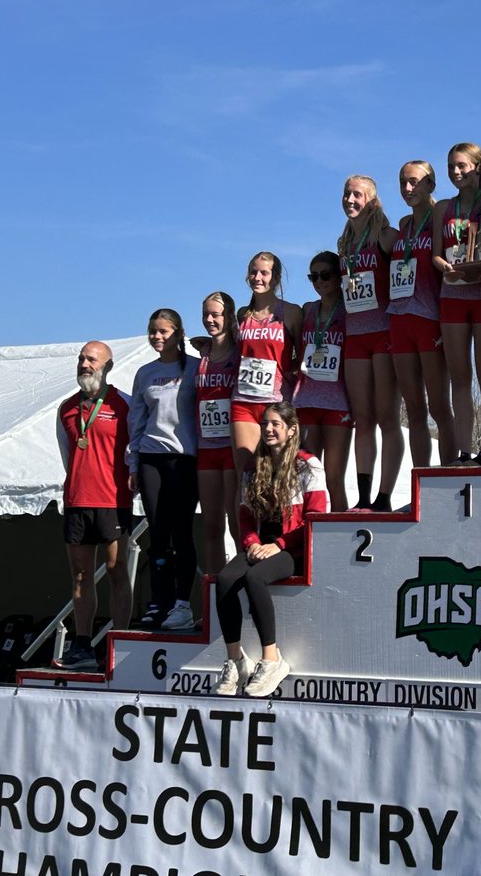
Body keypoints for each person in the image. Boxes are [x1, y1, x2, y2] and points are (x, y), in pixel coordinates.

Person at [214, 403, 328, 697]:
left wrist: (277, 546)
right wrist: (251, 543)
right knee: (225, 579)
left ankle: (271, 659)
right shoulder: (253, 467)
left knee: (255, 578)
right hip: (262, 546)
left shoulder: (308, 465)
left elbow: (315, 520)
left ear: (292, 431)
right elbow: (245, 516)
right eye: (265, 423)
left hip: (295, 548)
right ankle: (235, 660)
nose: (268, 429)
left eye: (276, 424)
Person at [53, 341, 133, 670]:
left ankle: (121, 645)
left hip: (113, 500)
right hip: (77, 501)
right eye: (81, 359)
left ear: (108, 366)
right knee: (81, 577)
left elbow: (135, 452)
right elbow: (66, 456)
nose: (85, 364)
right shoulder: (67, 408)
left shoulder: (125, 404)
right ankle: (82, 647)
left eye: (92, 359)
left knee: (117, 572)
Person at [128, 309, 201, 631]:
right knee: (157, 532)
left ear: (178, 333)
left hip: (185, 459)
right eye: (152, 332)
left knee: (181, 532)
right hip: (151, 458)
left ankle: (183, 603)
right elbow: (136, 420)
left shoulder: (197, 369)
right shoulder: (145, 373)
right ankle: (160, 600)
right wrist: (133, 463)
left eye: (163, 332)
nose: (157, 337)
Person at [431, 142, 481, 466]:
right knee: (459, 377)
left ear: (479, 166)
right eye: (451, 167)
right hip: (452, 296)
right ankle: (463, 451)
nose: (456, 172)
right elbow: (435, 252)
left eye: (462, 165)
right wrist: (443, 266)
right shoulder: (442, 208)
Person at [338, 175, 404, 511]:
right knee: (362, 419)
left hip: (383, 333)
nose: (350, 199)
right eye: (347, 193)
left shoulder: (385, 236)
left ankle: (385, 496)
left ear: (373, 200)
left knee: (387, 418)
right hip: (355, 336)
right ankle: (363, 497)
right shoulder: (344, 242)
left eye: (357, 194)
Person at [389, 160, 456, 466]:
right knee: (414, 408)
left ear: (431, 184)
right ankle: (420, 479)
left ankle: (449, 473)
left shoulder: (439, 219)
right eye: (403, 182)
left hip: (430, 319)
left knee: (439, 407)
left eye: (415, 182)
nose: (408, 189)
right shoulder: (404, 226)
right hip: (400, 320)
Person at [231, 251, 306, 478]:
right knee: (245, 474)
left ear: (275, 278)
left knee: (276, 473)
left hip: (275, 401)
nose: (257, 277)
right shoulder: (243, 314)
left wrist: (284, 371)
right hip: (243, 400)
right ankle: (241, 515)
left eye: (264, 272)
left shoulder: (291, 312)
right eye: (253, 272)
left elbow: (304, 355)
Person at [294, 251, 353, 511]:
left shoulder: (350, 308)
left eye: (325, 275)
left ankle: (342, 537)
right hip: (306, 400)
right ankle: (303, 539)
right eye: (313, 276)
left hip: (338, 401)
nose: (319, 281)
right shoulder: (307, 310)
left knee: (334, 478)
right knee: (306, 476)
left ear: (339, 276)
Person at [196, 292, 241, 577]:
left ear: (230, 317)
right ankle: (213, 591)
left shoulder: (241, 352)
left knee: (238, 524)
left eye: (217, 314)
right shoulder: (201, 354)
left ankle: (239, 583)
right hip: (206, 447)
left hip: (233, 445)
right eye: (206, 315)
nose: (211, 320)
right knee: (212, 525)